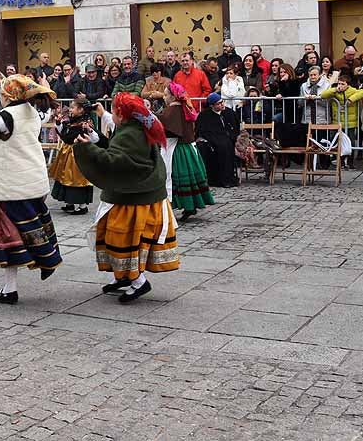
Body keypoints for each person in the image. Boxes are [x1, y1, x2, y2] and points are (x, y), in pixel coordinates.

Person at [0, 71, 62, 304]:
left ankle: (16, 283)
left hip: (10, 186)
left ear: (8, 94)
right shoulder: (31, 113)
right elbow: (45, 113)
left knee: (9, 237)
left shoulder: (8, 116)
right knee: (24, 233)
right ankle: (14, 284)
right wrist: (44, 87)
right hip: (31, 182)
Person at [72, 92, 178, 303]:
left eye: (112, 110)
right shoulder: (132, 128)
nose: (110, 114)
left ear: (120, 113)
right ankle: (123, 276)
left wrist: (86, 149)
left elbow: (115, 161)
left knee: (121, 239)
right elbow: (116, 151)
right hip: (135, 194)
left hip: (133, 199)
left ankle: (138, 281)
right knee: (116, 237)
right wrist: (95, 138)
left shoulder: (130, 134)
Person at [159, 83, 213, 221]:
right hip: (187, 148)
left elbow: (168, 128)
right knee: (188, 179)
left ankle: (171, 207)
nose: (164, 97)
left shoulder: (173, 110)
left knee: (173, 179)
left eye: (166, 95)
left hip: (177, 149)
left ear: (173, 96)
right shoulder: (183, 108)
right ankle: (189, 206)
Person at [48, 98, 97, 215]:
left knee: (78, 179)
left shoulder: (86, 123)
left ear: (81, 110)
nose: (70, 109)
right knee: (65, 177)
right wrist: (59, 123)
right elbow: (64, 134)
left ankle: (82, 206)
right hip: (67, 153)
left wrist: (89, 131)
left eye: (73, 107)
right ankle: (69, 203)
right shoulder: (70, 121)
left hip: (78, 154)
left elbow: (94, 138)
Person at [322, 75, 363, 168]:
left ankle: (350, 162)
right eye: (339, 83)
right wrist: (335, 89)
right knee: (338, 142)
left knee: (350, 142)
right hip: (337, 121)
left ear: (348, 85)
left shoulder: (352, 90)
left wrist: (352, 99)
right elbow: (323, 95)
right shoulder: (335, 91)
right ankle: (341, 162)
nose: (340, 85)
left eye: (343, 84)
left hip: (350, 122)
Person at [196, 92, 240, 188]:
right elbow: (201, 131)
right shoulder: (204, 115)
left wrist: (231, 137)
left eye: (222, 102)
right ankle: (210, 178)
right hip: (211, 140)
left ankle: (226, 178)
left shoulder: (229, 113)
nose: (222, 105)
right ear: (212, 106)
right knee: (204, 148)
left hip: (226, 139)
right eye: (219, 103)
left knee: (225, 146)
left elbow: (235, 128)